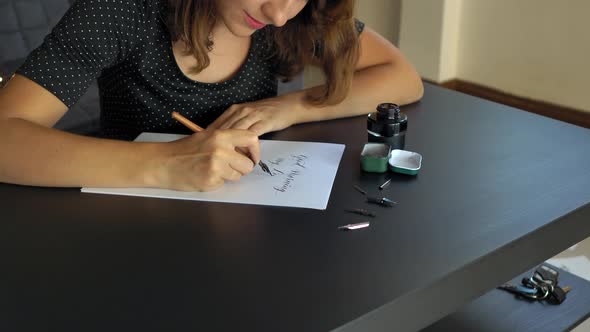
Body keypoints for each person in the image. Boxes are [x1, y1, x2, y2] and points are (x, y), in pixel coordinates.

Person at [0, 0, 423, 191]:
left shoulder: (289, 18)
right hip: (129, 228)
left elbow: (402, 77)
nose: (278, 13)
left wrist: (285, 108)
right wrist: (167, 165)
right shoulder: (121, 9)